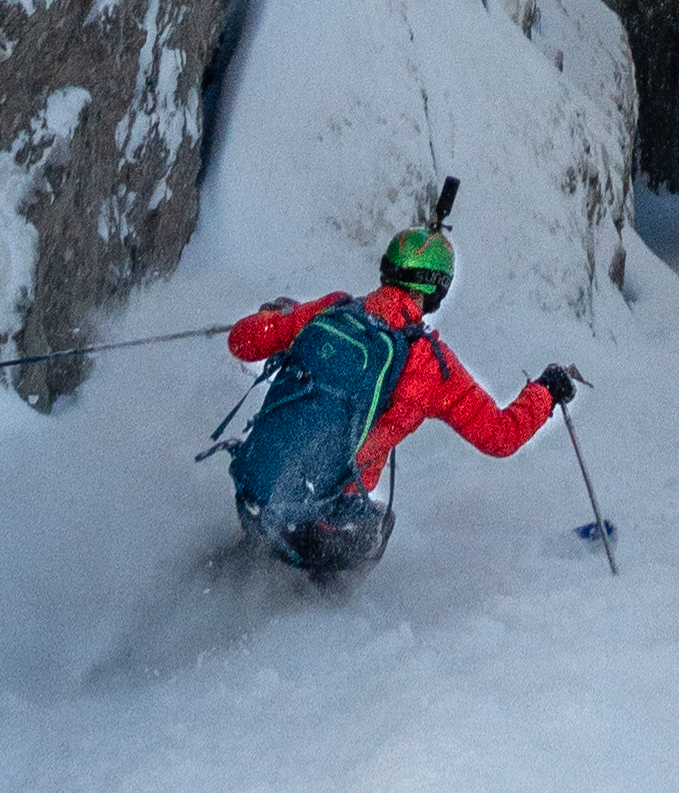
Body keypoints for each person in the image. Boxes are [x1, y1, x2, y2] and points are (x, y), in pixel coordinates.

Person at [220, 214, 584, 581]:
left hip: (252, 498)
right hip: (318, 534)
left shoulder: (331, 309)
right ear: (437, 290)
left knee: (284, 504)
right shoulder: (429, 364)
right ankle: (328, 608)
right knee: (378, 522)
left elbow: (242, 341)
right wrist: (546, 391)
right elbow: (500, 436)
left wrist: (275, 316)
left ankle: (247, 561)